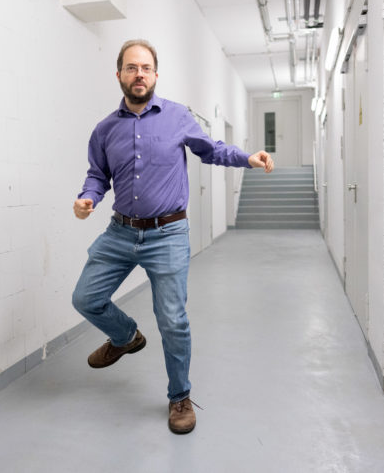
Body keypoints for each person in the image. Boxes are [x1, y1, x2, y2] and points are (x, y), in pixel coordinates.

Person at [72, 39, 274, 434]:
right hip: (121, 230)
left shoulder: (177, 116)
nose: (139, 74)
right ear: (119, 76)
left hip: (168, 233)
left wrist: (247, 158)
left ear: (155, 75)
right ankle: (125, 336)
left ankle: (179, 396)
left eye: (146, 67)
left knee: (173, 320)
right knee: (86, 298)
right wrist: (87, 197)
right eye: (131, 68)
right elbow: (98, 175)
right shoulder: (105, 130)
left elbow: (211, 150)